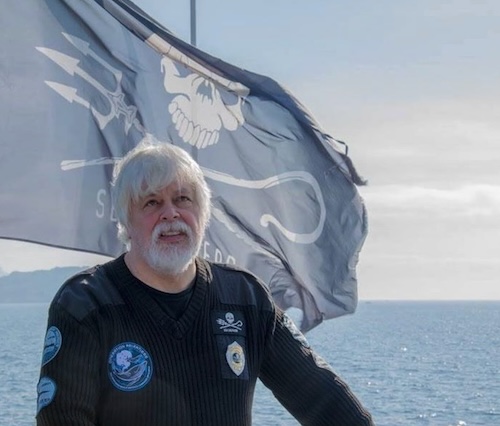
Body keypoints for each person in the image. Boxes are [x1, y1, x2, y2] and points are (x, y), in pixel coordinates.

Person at [36, 141, 374, 426]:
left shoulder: (245, 298)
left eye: (183, 199)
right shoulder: (86, 304)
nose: (170, 214)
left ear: (203, 212)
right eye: (152, 202)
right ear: (126, 220)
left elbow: (326, 401)